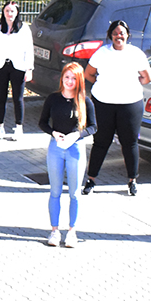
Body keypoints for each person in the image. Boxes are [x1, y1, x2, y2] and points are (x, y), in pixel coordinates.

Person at [83, 20, 151, 196]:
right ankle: (91, 180)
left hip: (130, 104)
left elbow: (146, 78)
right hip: (103, 103)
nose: (118, 36)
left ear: (127, 34)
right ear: (110, 35)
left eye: (122, 33)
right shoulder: (102, 53)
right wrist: (103, 84)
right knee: (100, 143)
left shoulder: (136, 54)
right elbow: (88, 74)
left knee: (129, 143)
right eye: (115, 33)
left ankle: (132, 181)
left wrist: (129, 86)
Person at [38, 62, 97, 248]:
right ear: (62, 78)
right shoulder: (53, 99)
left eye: (73, 78)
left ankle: (72, 231)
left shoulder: (85, 101)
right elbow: (42, 122)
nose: (69, 81)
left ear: (79, 80)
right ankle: (54, 230)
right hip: (56, 148)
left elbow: (93, 127)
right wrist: (54, 133)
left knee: (74, 193)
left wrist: (76, 135)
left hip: (75, 148)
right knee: (55, 191)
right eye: (67, 77)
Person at [0, 1, 33, 140]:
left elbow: (29, 50)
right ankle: (0, 127)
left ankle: (19, 127)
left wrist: (29, 69)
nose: (9, 14)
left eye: (12, 11)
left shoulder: (24, 29)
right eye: (7, 10)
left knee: (18, 98)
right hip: (0, 67)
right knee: (1, 98)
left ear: (17, 12)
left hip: (18, 67)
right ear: (3, 12)